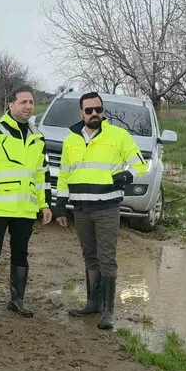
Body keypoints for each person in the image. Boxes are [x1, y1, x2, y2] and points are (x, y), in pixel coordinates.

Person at [56, 92, 147, 330]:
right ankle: (92, 304)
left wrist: (127, 175)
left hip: (106, 207)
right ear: (81, 113)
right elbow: (64, 174)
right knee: (90, 256)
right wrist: (60, 205)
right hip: (81, 208)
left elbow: (141, 164)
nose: (94, 113)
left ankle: (108, 311)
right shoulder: (70, 140)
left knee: (107, 258)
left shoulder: (119, 135)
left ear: (103, 111)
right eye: (89, 110)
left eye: (98, 109)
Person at [0, 83, 52, 319]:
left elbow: (42, 174)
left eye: (31, 102)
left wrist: (45, 204)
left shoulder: (37, 137)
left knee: (21, 253)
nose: (28, 106)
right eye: (23, 102)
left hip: (25, 208)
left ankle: (17, 300)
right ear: (11, 104)